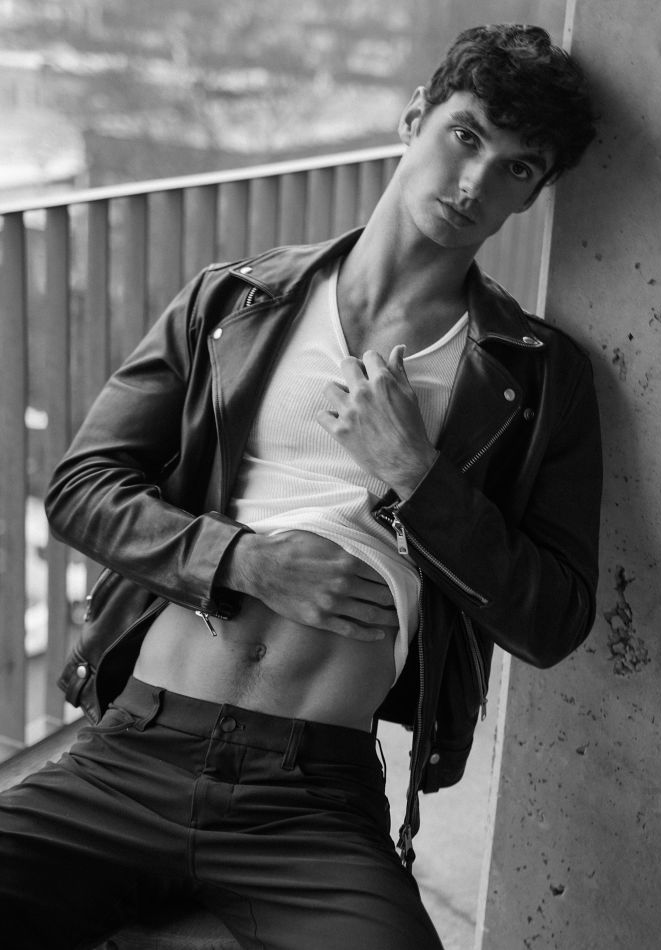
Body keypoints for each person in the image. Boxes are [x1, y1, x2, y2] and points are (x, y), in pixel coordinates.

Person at [0, 23, 602, 950]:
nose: (475, 183)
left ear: (534, 193)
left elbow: (552, 616)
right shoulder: (232, 303)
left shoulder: (537, 376)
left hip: (309, 797)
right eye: (466, 136)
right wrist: (245, 563)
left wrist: (416, 476)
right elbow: (83, 486)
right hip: (133, 752)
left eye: (516, 168)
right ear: (415, 118)